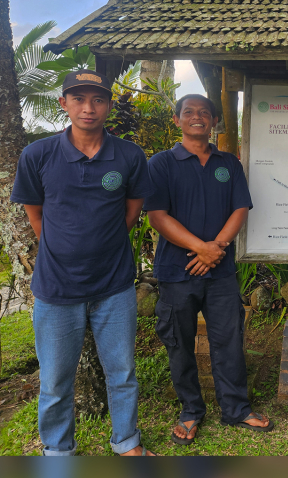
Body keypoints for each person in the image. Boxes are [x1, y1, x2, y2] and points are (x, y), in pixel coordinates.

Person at [11, 71, 155, 456]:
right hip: (57, 290)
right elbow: (36, 215)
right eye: (78, 99)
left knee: (122, 373)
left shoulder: (129, 155)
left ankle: (126, 442)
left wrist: (101, 245)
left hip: (115, 287)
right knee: (56, 381)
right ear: (64, 104)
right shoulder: (37, 154)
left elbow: (131, 212)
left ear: (108, 105)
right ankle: (57, 452)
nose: (88, 108)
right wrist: (65, 248)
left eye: (97, 100)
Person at [144, 94, 273, 445]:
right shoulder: (161, 164)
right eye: (189, 112)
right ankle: (190, 411)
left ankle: (236, 408)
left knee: (229, 341)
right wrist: (201, 248)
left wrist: (214, 250)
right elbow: (157, 216)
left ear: (214, 121)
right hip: (176, 272)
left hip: (220, 273)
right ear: (177, 120)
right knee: (179, 343)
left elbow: (240, 209)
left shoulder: (228, 164)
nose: (197, 117)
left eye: (204, 113)